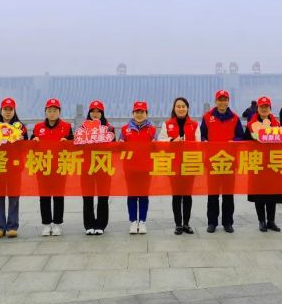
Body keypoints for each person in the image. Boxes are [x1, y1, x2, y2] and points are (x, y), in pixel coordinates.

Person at [200, 90, 244, 233]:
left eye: (225, 99)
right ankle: (212, 222)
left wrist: (234, 141)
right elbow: (202, 136)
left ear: (228, 101)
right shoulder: (207, 117)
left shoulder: (235, 118)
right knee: (212, 194)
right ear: (216, 101)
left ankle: (228, 222)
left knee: (228, 195)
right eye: (220, 99)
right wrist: (204, 141)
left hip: (229, 162)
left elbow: (240, 136)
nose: (222, 102)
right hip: (213, 162)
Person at [159, 97, 201, 235]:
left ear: (187, 108)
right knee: (176, 195)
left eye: (183, 106)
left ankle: (186, 223)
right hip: (173, 163)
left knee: (187, 195)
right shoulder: (167, 124)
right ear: (174, 108)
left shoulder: (194, 124)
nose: (181, 108)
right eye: (178, 106)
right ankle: (178, 224)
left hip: (190, 163)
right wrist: (172, 141)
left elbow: (198, 144)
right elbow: (161, 142)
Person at [32, 98, 73, 236]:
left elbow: (74, 144)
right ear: (45, 112)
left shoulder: (66, 126)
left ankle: (57, 223)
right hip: (42, 165)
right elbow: (31, 143)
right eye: (49, 110)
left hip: (60, 165)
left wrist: (66, 142)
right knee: (44, 195)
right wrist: (34, 141)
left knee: (58, 195)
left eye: (55, 110)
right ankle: (46, 223)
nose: (52, 113)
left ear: (59, 112)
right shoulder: (38, 127)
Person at [0, 98, 28, 238]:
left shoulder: (20, 127)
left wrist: (23, 142)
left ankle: (12, 226)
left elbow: (26, 147)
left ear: (14, 111)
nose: (8, 112)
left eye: (10, 109)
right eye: (5, 109)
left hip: (14, 166)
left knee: (14, 196)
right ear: (1, 110)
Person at [245, 96, 282, 232]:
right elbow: (245, 143)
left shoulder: (276, 124)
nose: (264, 109)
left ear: (270, 108)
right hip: (257, 163)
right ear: (257, 109)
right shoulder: (250, 125)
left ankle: (271, 221)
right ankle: (261, 221)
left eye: (266, 107)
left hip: (272, 163)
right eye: (262, 107)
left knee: (272, 194)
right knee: (259, 194)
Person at [79, 100, 115, 235]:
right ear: (89, 113)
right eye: (92, 111)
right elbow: (77, 145)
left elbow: (114, 147)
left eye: (98, 111)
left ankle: (101, 224)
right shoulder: (82, 128)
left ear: (102, 113)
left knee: (103, 196)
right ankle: (89, 224)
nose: (95, 114)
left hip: (103, 166)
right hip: (87, 166)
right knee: (87, 196)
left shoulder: (109, 128)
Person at [120, 101, 156, 234]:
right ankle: (133, 221)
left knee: (144, 195)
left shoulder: (152, 130)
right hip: (130, 168)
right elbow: (120, 148)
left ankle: (142, 221)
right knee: (132, 195)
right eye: (137, 112)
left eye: (142, 112)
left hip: (146, 168)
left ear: (146, 114)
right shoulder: (125, 130)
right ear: (133, 113)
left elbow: (156, 148)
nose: (139, 114)